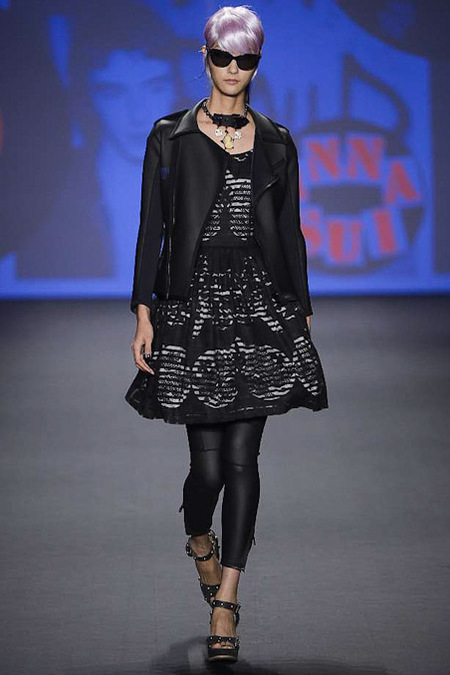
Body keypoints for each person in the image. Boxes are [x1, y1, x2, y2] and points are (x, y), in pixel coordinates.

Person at [125, 5, 328, 664]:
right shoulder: (171, 136)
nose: (233, 69)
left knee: (243, 460)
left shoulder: (278, 140)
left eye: (246, 59)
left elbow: (290, 230)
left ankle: (227, 602)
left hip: (260, 306)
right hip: (194, 307)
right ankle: (198, 538)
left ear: (256, 64)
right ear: (205, 56)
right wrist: (144, 311)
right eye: (223, 57)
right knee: (207, 466)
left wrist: (300, 309)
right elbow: (153, 226)